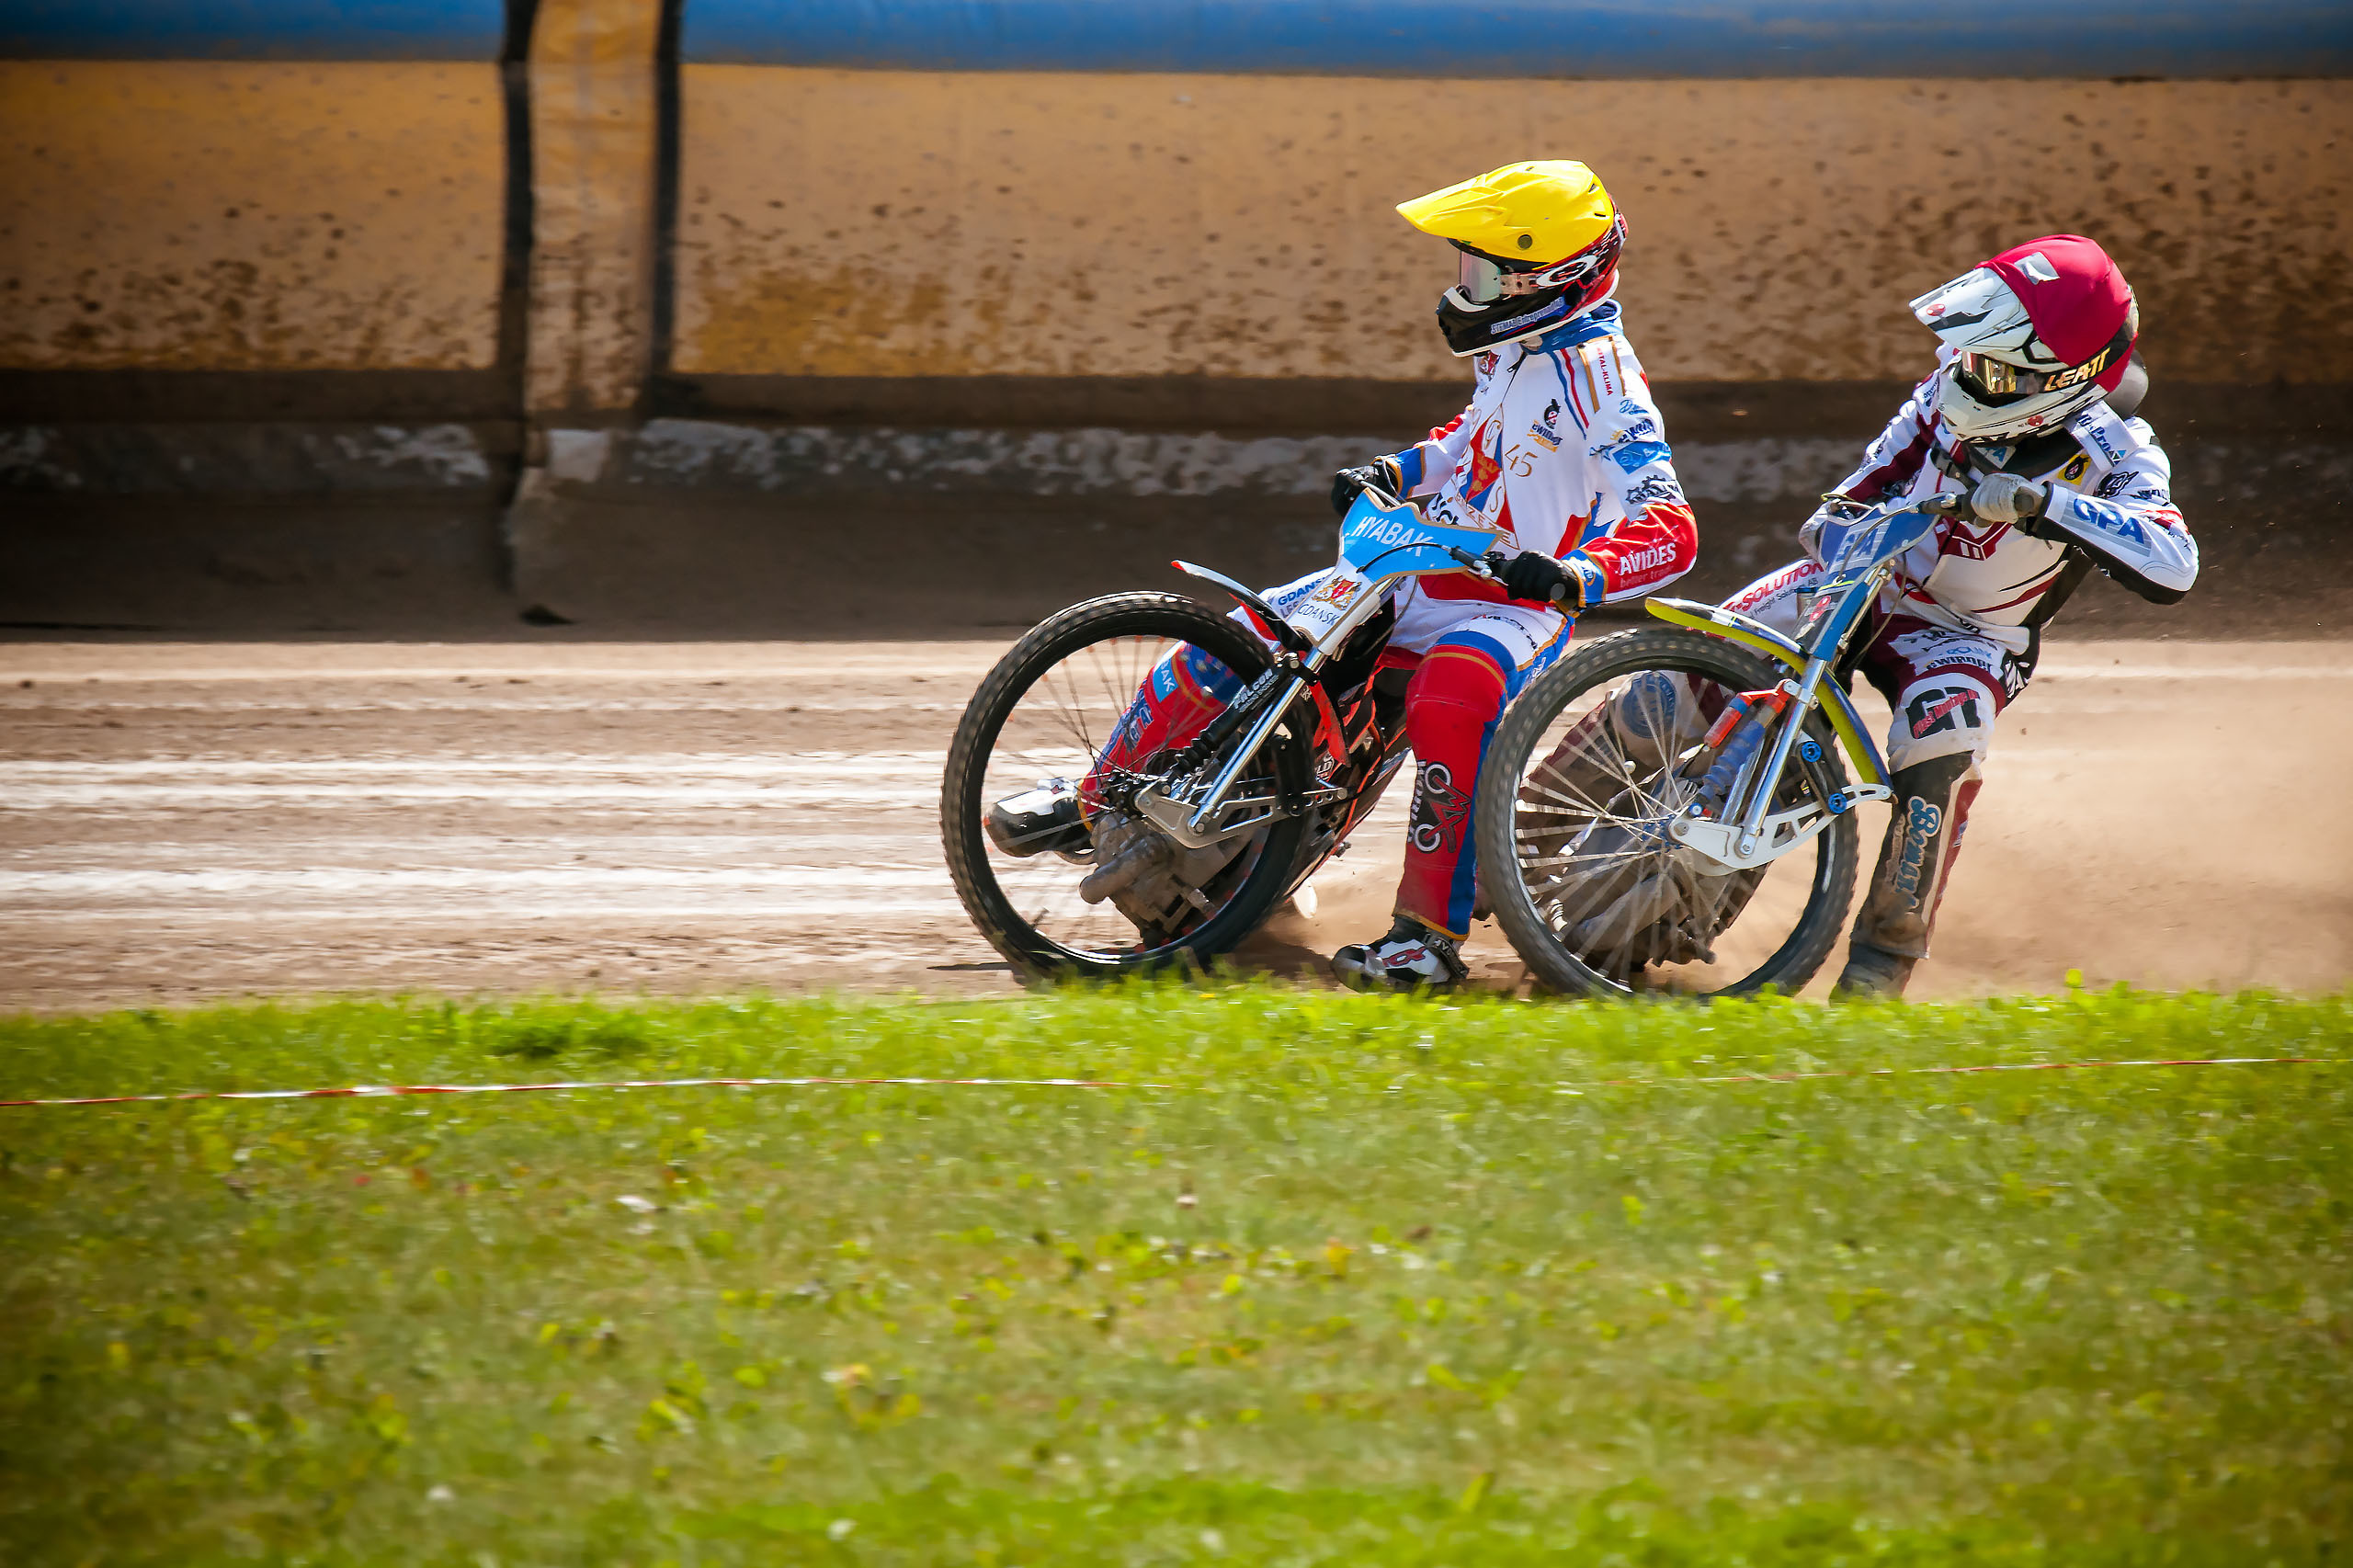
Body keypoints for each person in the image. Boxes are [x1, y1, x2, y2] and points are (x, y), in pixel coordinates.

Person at [1085, 160, 1699, 989]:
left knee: (1451, 693)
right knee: (1245, 636)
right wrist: (1398, 470)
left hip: (1509, 606)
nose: (1464, 285)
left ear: (1548, 277)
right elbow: (1470, 436)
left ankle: (1425, 941)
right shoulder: (1520, 345)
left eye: (1482, 269)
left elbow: (1670, 525)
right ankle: (1099, 793)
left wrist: (1574, 576)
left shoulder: (1602, 376)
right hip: (1423, 564)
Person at [1718, 234, 2198, 997]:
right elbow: (1862, 486)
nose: (1970, 373)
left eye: (1996, 366)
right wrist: (1839, 542)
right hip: (1871, 581)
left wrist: (2047, 504)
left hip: (1969, 639)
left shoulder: (2121, 453)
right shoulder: (1952, 376)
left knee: (1947, 735)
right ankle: (1538, 823)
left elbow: (2176, 562)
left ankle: (1879, 968)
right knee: (1725, 638)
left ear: (2067, 379)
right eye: (1973, 353)